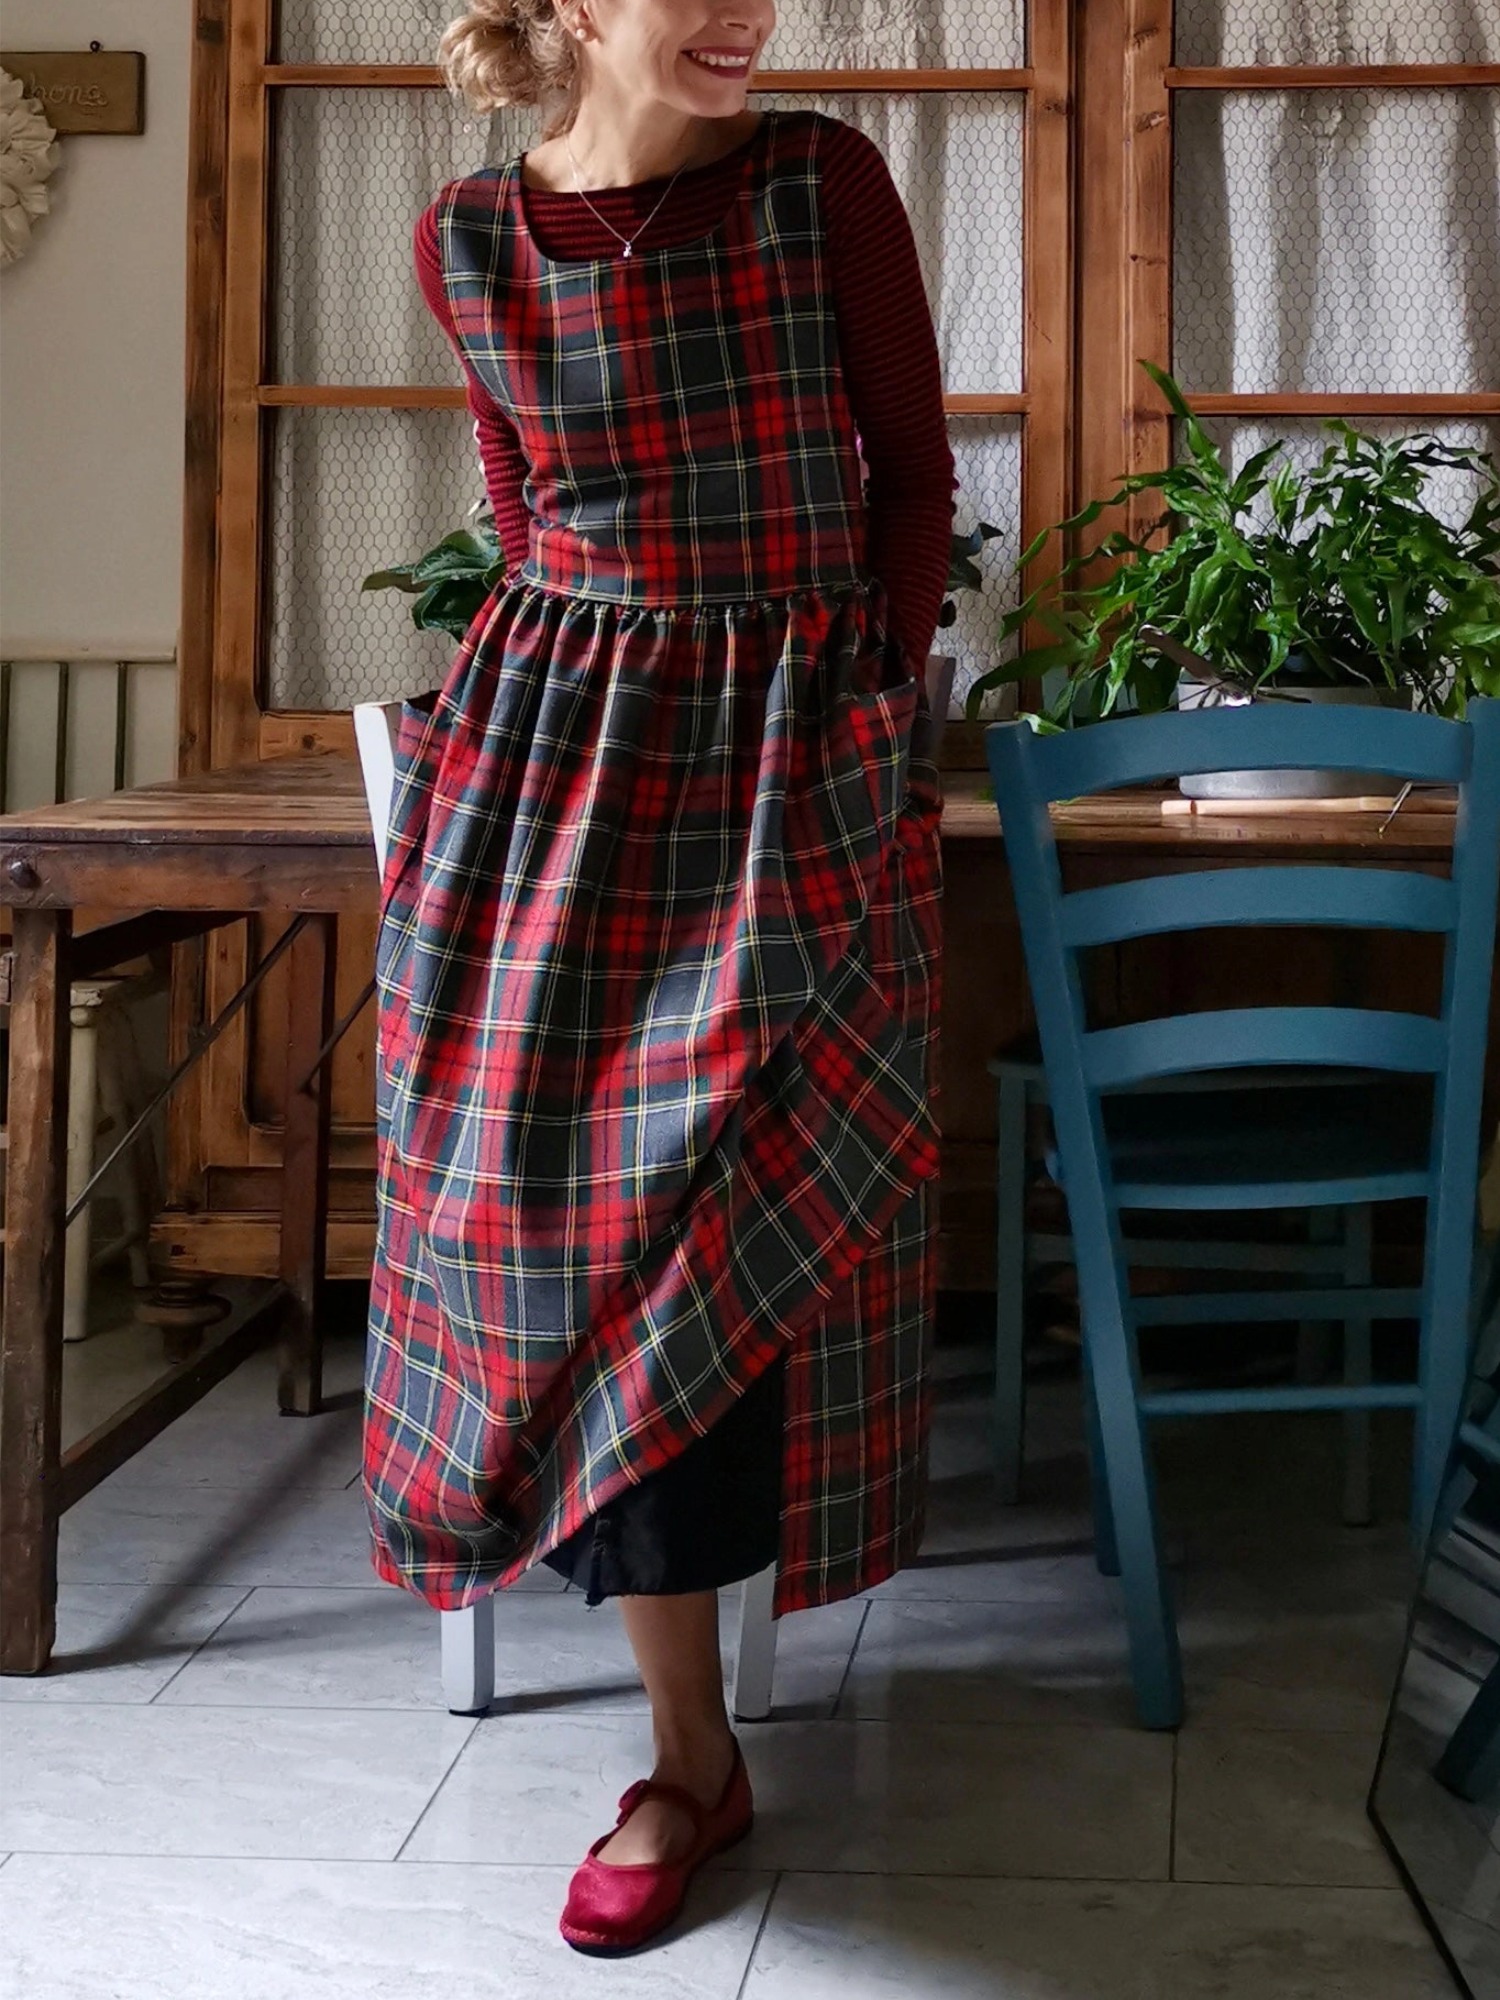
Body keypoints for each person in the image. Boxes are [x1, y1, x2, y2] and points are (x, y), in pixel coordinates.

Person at [362, 0, 956, 1956]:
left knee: (713, 1228)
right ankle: (685, 1745)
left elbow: (910, 483)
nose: (746, 12)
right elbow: (522, 517)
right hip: (552, 785)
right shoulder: (469, 238)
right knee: (546, 1227)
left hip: (789, 768)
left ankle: (692, 1762)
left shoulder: (818, 185)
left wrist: (862, 715)